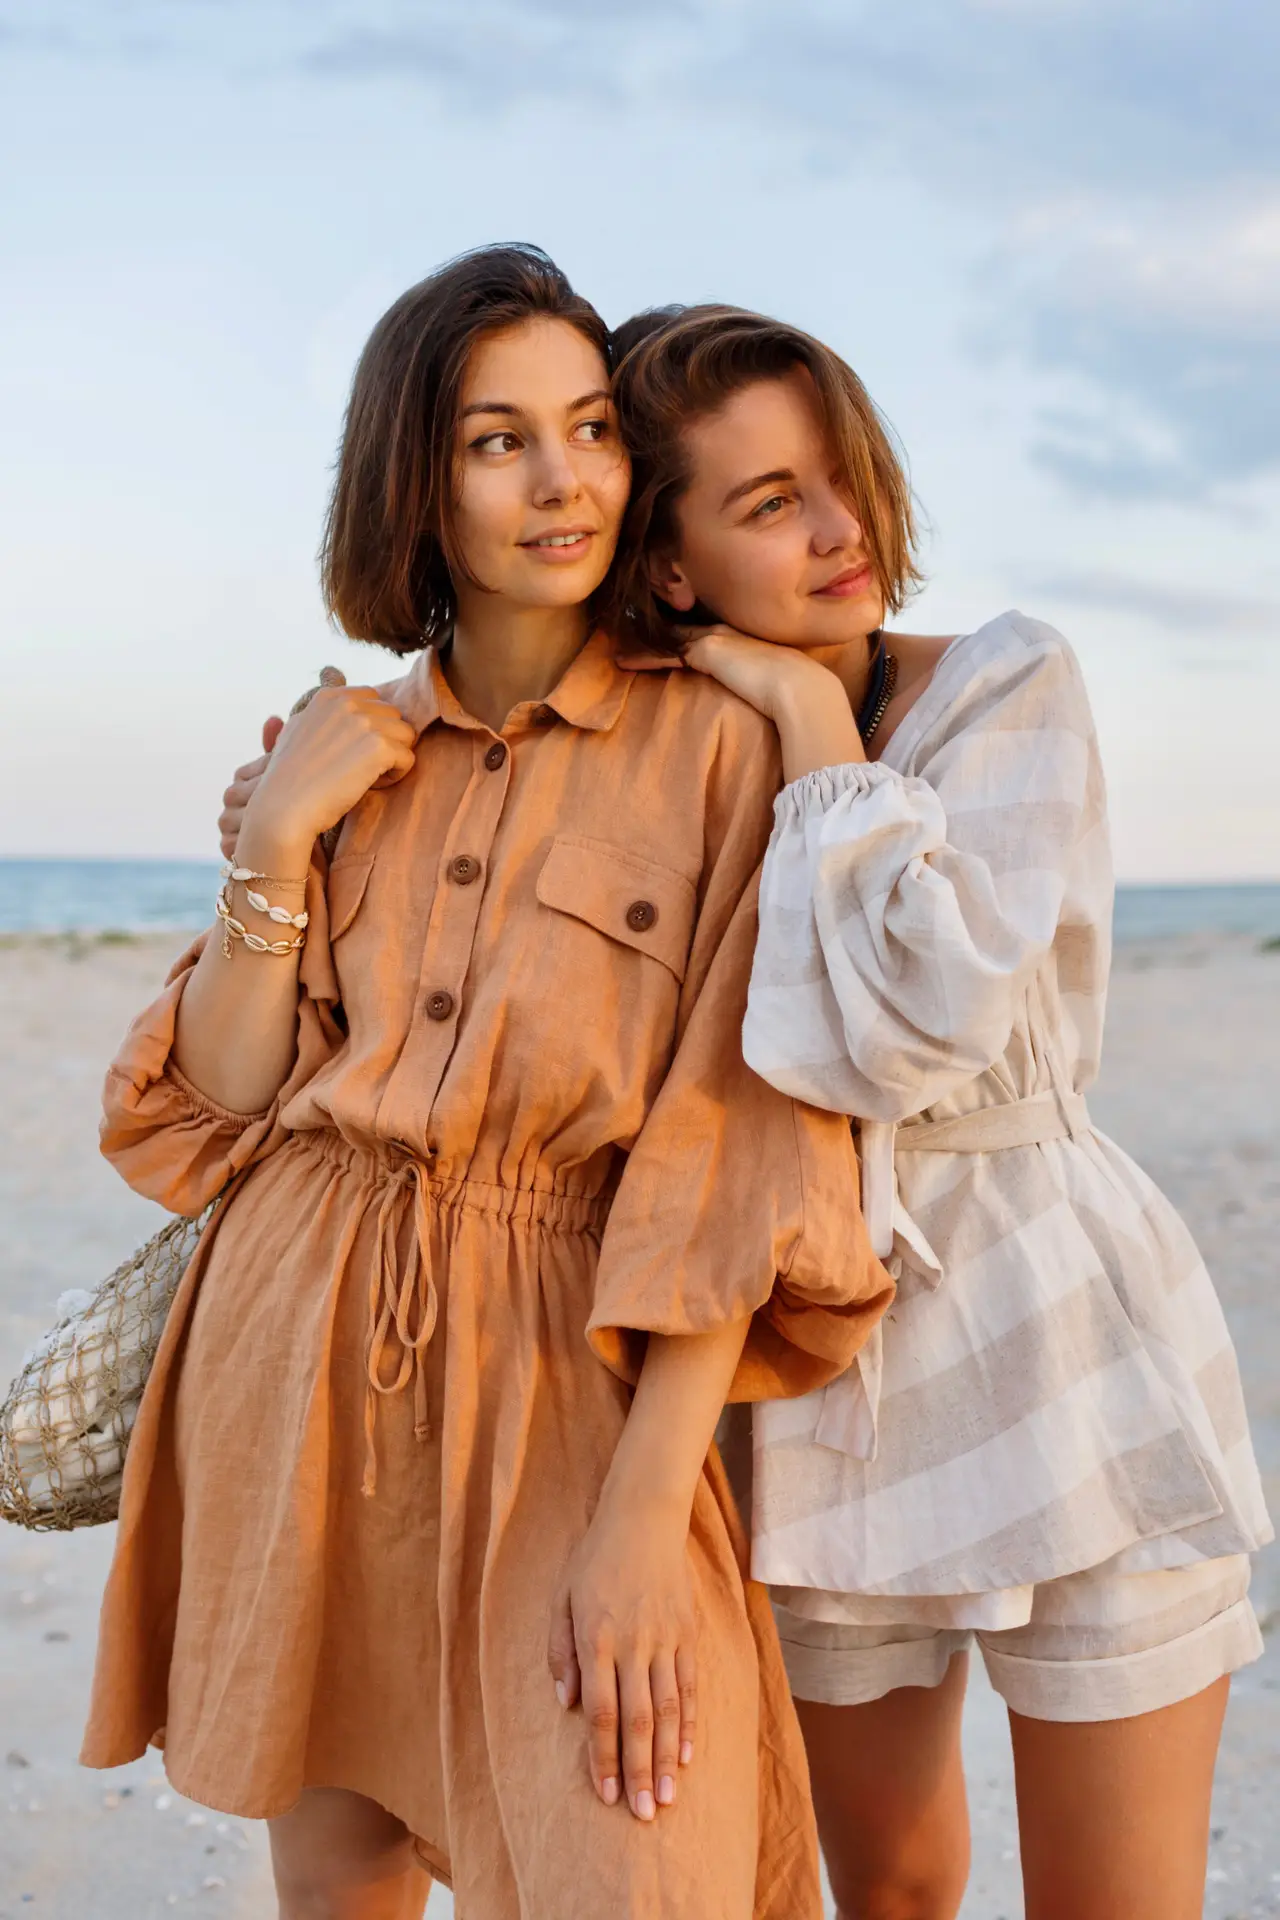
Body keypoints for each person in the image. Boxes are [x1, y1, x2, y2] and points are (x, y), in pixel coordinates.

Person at [82, 250, 892, 1920]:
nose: (564, 478)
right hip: (298, 1360)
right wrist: (274, 843)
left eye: (591, 428)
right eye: (496, 439)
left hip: (573, 1382)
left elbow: (737, 1155)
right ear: (415, 482)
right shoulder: (339, 750)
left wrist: (640, 1523)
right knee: (346, 1867)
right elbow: (217, 1110)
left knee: (636, 1855)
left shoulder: (728, 742)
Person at [600, 303, 1273, 1920]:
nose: (842, 533)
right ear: (672, 564)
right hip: (825, 1363)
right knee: (890, 1892)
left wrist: (821, 731)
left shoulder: (1007, 680)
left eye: (841, 478)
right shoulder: (677, 750)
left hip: (1069, 1326)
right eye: (769, 504)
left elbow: (924, 1020)